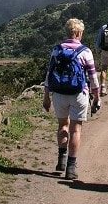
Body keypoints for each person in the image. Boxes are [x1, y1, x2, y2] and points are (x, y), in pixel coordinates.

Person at [43, 18, 101, 180]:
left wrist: (46, 96)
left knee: (63, 125)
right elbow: (93, 77)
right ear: (77, 33)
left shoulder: (56, 50)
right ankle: (70, 167)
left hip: (59, 94)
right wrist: (97, 96)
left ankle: (61, 160)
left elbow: (49, 75)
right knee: (76, 129)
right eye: (81, 32)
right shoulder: (85, 51)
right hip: (78, 94)